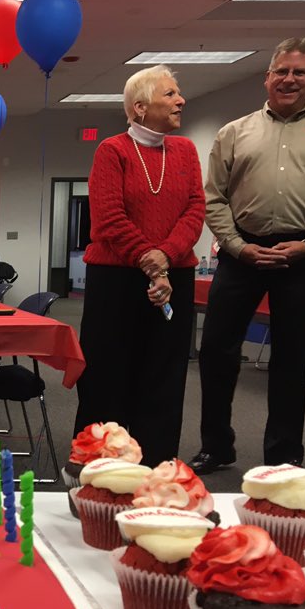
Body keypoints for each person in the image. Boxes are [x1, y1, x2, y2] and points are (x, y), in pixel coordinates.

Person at [191, 38, 305, 474]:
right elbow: (214, 200)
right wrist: (238, 246)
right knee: (215, 352)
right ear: (267, 78)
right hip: (241, 254)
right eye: (281, 70)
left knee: (291, 357)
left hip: (303, 257)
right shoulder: (234, 132)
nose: (289, 79)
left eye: (299, 72)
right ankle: (216, 446)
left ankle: (283, 456)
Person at [73, 65, 205, 468]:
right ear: (140, 107)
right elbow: (109, 219)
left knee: (164, 381)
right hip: (116, 280)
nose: (180, 100)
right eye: (170, 94)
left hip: (174, 276)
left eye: (178, 93)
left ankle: (158, 471)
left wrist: (165, 257)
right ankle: (100, 468)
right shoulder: (111, 150)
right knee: (107, 379)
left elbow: (195, 209)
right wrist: (154, 266)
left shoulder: (185, 151)